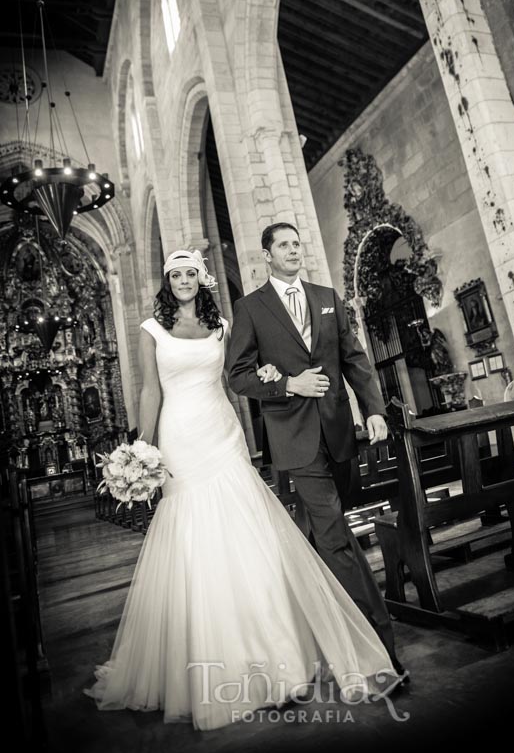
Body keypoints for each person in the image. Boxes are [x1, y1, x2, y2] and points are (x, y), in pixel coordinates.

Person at [85, 249, 402, 732]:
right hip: (181, 436)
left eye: (192, 273)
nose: (185, 280)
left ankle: (279, 656)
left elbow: (241, 375)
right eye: (177, 275)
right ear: (167, 281)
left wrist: (275, 378)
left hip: (223, 431)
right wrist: (144, 446)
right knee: (196, 531)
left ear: (202, 280)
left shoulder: (223, 327)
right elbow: (151, 390)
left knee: (245, 528)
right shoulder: (151, 330)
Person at [226, 223, 408, 680]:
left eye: (296, 243)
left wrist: (374, 410)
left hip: (339, 432)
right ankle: (378, 646)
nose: (293, 250)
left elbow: (354, 358)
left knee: (323, 535)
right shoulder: (251, 308)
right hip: (295, 437)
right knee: (335, 537)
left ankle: (307, 621)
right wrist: (290, 384)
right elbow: (238, 375)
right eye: (284, 245)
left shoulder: (326, 295)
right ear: (266, 254)